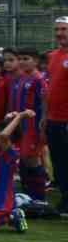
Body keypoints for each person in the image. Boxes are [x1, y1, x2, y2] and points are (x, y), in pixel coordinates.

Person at [45, 16, 68, 215]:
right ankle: (65, 198)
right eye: (57, 29)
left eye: (64, 29)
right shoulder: (53, 56)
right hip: (53, 118)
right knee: (59, 162)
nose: (59, 33)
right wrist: (46, 115)